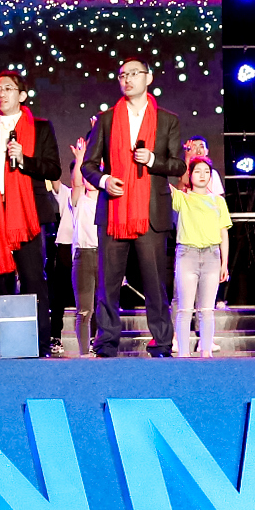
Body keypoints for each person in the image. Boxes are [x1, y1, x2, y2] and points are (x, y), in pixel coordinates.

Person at [0, 71, 64, 356]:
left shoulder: (41, 128)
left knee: (33, 279)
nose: (2, 94)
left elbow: (53, 169)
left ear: (22, 95)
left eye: (8, 89)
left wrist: (24, 159)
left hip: (27, 214)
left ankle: (40, 344)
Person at [92, 56, 184, 356]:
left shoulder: (167, 120)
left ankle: (162, 340)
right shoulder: (106, 119)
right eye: (122, 75)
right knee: (108, 283)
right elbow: (88, 165)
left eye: (134, 73)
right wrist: (104, 180)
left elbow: (179, 165)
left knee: (155, 282)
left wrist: (153, 160)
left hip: (151, 212)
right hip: (114, 211)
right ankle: (106, 341)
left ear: (148, 78)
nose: (127, 79)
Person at [171, 155, 232, 357]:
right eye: (197, 171)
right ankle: (184, 353)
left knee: (207, 310)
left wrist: (224, 263)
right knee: (184, 309)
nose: (202, 175)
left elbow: (224, 233)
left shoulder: (218, 201)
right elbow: (162, 184)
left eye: (206, 171)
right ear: (190, 174)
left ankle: (206, 352)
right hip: (187, 255)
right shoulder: (182, 197)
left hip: (211, 256)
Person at [61, 132, 104, 354]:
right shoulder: (79, 201)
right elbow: (76, 183)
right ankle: (84, 352)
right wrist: (80, 159)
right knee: (84, 311)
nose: (89, 179)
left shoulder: (108, 202)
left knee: (104, 308)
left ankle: (102, 348)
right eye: (87, 176)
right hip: (83, 256)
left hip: (104, 255)